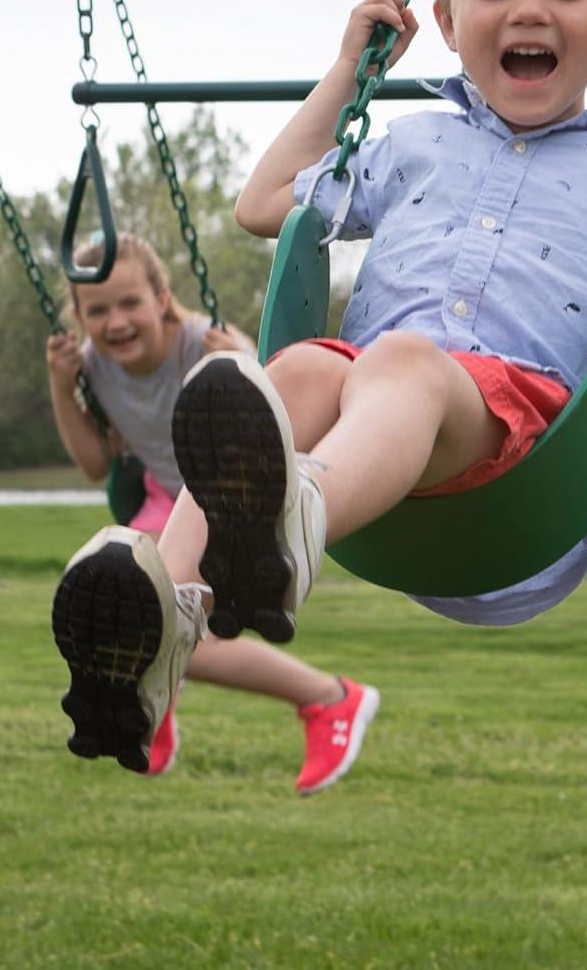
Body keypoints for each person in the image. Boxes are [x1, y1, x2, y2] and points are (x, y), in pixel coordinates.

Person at [51, 0, 587, 764]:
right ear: (447, 23)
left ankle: (299, 517)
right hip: (382, 438)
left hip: (523, 468)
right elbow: (265, 203)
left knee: (397, 360)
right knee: (299, 370)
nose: (528, 9)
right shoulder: (415, 144)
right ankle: (161, 621)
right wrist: (345, 72)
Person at [46, 232, 379, 790]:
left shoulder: (207, 344)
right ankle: (160, 702)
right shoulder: (91, 368)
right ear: (79, 318)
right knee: (121, 620)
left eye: (130, 303)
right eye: (97, 311)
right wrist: (62, 389)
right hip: (161, 504)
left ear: (161, 296)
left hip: (230, 500)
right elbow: (95, 465)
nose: (117, 322)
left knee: (160, 635)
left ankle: (330, 698)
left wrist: (243, 361)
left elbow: (275, 419)